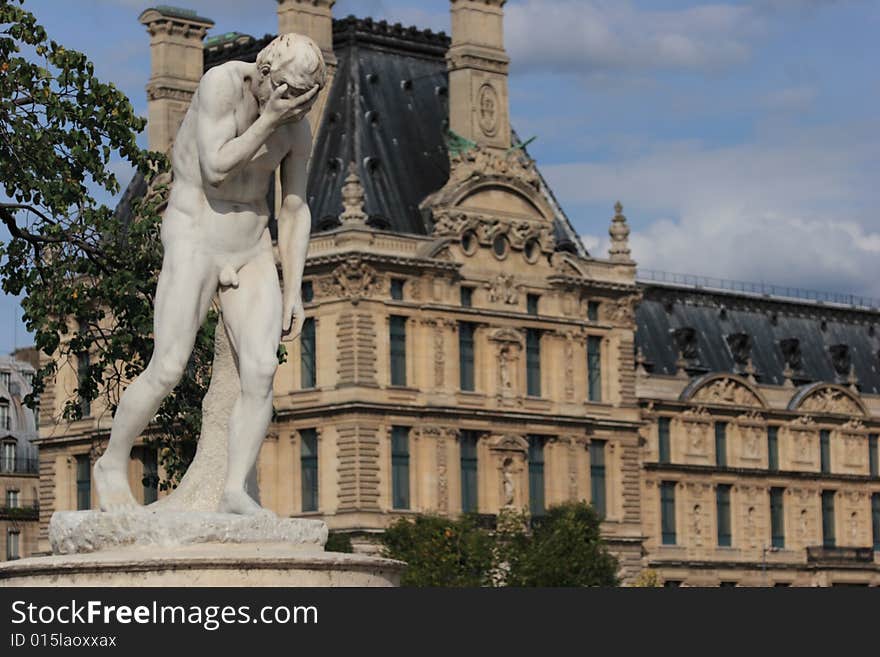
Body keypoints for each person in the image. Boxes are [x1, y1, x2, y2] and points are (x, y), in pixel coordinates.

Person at [94, 33, 325, 515]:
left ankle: (234, 489)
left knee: (261, 372)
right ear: (264, 74)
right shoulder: (221, 84)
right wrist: (270, 120)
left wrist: (294, 288)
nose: (296, 107)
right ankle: (111, 464)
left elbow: (295, 207)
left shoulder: (295, 123)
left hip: (252, 244)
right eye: (287, 92)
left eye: (305, 100)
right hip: (195, 234)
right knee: (169, 368)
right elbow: (217, 167)